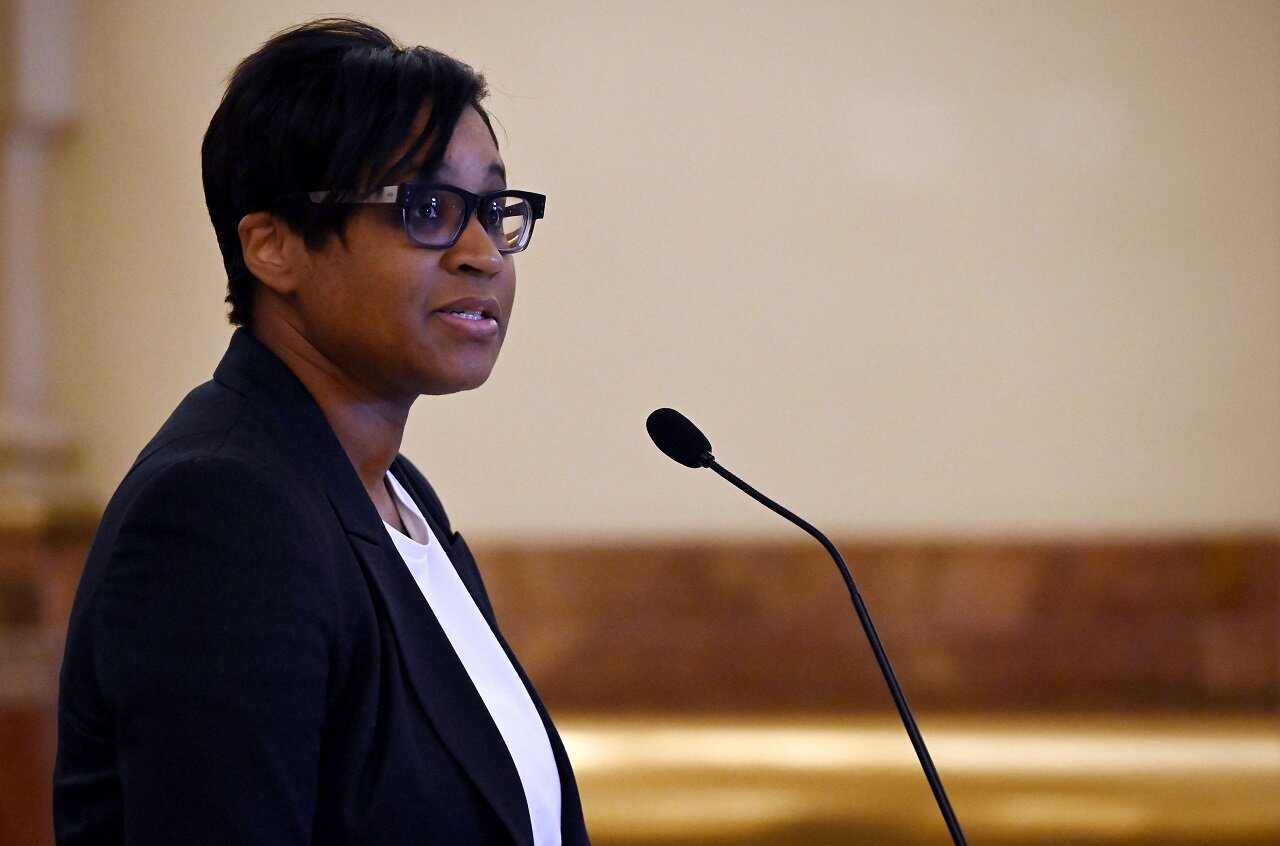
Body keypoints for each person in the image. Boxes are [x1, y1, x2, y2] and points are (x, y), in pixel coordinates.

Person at [54, 18, 588, 845]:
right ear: (274, 247)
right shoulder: (222, 514)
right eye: (428, 208)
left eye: (494, 209)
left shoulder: (395, 493)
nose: (483, 253)